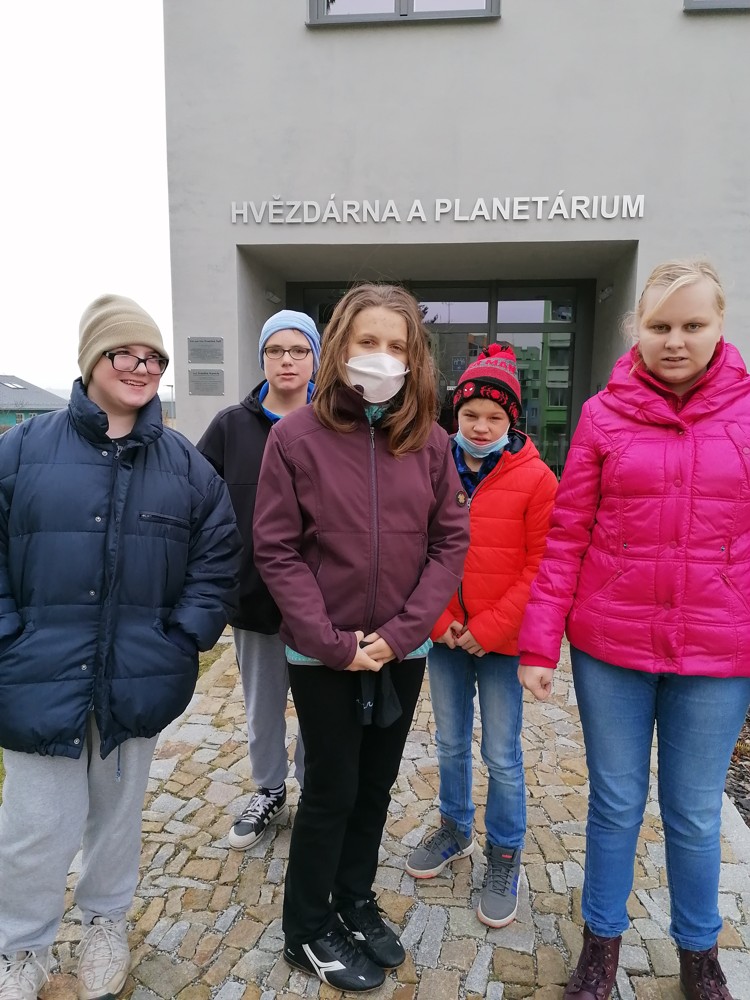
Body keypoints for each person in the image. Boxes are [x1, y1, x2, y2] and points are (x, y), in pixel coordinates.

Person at [517, 260, 750, 1000]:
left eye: (692, 325)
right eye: (660, 326)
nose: (675, 340)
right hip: (611, 649)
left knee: (694, 812)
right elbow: (567, 535)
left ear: (719, 326)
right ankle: (601, 947)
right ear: (636, 330)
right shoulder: (602, 415)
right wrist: (538, 641)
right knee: (615, 804)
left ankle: (699, 953)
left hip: (718, 653)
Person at [0, 295, 240, 1000]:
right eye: (124, 354)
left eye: (153, 358)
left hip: (137, 678)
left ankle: (106, 923)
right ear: (90, 360)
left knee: (116, 819)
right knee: (35, 826)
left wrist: (181, 640)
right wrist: (9, 636)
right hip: (37, 675)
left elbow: (217, 557)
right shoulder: (21, 450)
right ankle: (21, 947)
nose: (141, 367)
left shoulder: (186, 466)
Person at [253, 283, 469, 992]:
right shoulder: (294, 439)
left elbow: (448, 544)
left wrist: (400, 635)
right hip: (322, 653)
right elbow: (277, 549)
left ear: (415, 358)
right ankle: (306, 927)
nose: (382, 356)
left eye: (397, 345)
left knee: (375, 786)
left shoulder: (431, 443)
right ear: (340, 347)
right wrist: (334, 643)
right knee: (331, 789)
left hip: (402, 651)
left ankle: (352, 898)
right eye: (367, 341)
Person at [405, 343, 557, 929]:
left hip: (501, 642)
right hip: (446, 637)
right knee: (449, 742)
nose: (481, 427)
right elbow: (416, 548)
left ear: (512, 420)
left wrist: (491, 627)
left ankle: (505, 851)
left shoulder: (536, 479)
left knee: (501, 752)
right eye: (471, 415)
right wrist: (439, 619)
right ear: (456, 414)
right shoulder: (430, 467)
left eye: (495, 417)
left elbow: (540, 566)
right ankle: (454, 827)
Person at [197, 309, 320, 850]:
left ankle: (312, 786)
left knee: (319, 707)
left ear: (315, 358)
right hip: (253, 595)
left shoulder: (335, 421)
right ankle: (269, 788)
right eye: (275, 350)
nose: (286, 360)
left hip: (322, 601)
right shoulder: (230, 427)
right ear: (262, 357)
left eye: (298, 350)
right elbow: (198, 502)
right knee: (262, 708)